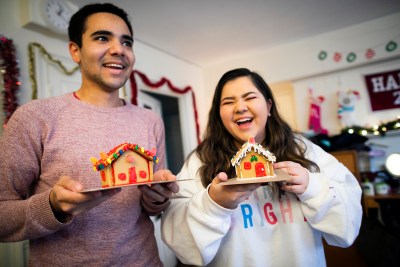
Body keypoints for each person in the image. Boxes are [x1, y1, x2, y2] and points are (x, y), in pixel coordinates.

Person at [0, 3, 178, 266]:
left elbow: (154, 208)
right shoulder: (34, 117)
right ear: (75, 50)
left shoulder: (150, 121)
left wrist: (158, 198)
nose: (119, 49)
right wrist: (54, 207)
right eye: (102, 38)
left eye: (127, 42)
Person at [161, 68, 362, 267]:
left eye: (249, 97)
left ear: (268, 106)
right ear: (219, 114)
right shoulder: (201, 160)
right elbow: (182, 243)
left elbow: (347, 225)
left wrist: (311, 186)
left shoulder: (305, 150)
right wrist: (213, 203)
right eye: (228, 102)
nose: (239, 108)